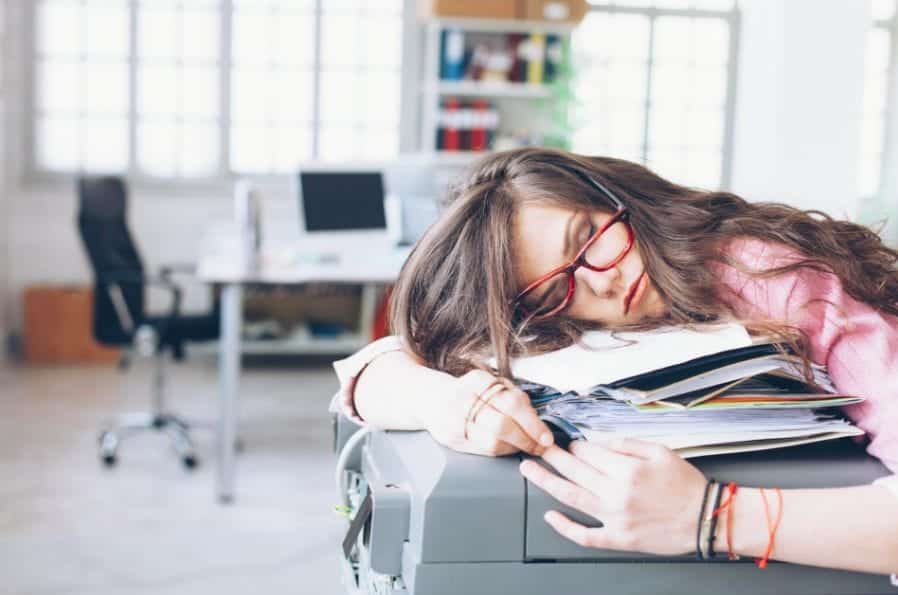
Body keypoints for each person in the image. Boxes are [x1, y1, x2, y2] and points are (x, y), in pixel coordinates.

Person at [332, 147, 898, 578]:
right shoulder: (559, 320)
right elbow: (371, 370)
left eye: (589, 238)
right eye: (553, 289)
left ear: (618, 198)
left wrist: (709, 516)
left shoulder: (775, 278)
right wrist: (447, 400)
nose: (600, 286)